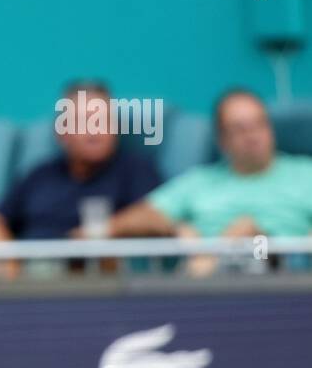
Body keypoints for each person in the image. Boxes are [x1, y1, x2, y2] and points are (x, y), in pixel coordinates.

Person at [108, 88, 312, 276]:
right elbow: (142, 214)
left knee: (253, 238)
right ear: (222, 139)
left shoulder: (305, 173)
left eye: (259, 124)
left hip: (287, 280)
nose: (252, 135)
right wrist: (176, 227)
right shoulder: (198, 182)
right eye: (239, 129)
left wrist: (239, 239)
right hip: (208, 283)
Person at [0, 81, 161, 279]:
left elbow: (161, 216)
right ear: (62, 131)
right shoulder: (40, 175)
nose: (95, 130)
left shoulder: (135, 170)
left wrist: (100, 232)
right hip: (27, 282)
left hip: (94, 284)